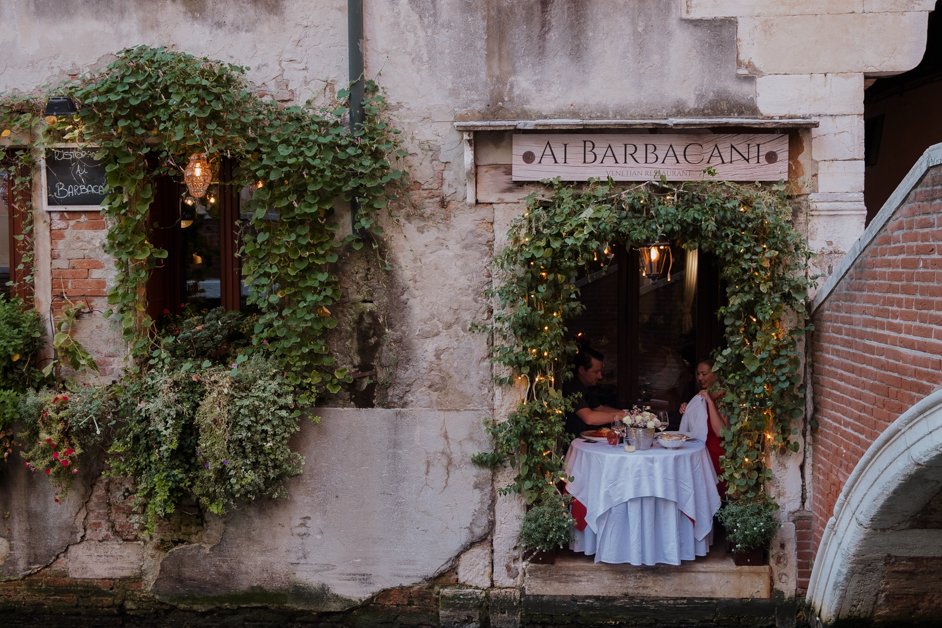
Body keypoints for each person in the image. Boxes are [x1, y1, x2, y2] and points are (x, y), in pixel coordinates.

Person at [679, 359, 728, 499]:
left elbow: (721, 432)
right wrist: (688, 409)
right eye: (698, 374)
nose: (700, 378)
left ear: (716, 374)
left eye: (704, 374)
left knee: (717, 497)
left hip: (718, 456)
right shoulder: (699, 398)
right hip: (701, 454)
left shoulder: (725, 399)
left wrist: (710, 402)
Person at [563, 346, 626, 437]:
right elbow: (589, 418)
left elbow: (599, 408)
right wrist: (619, 417)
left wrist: (626, 414)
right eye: (596, 372)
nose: (600, 376)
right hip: (571, 443)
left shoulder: (587, 386)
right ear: (582, 370)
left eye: (600, 371)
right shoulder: (571, 386)